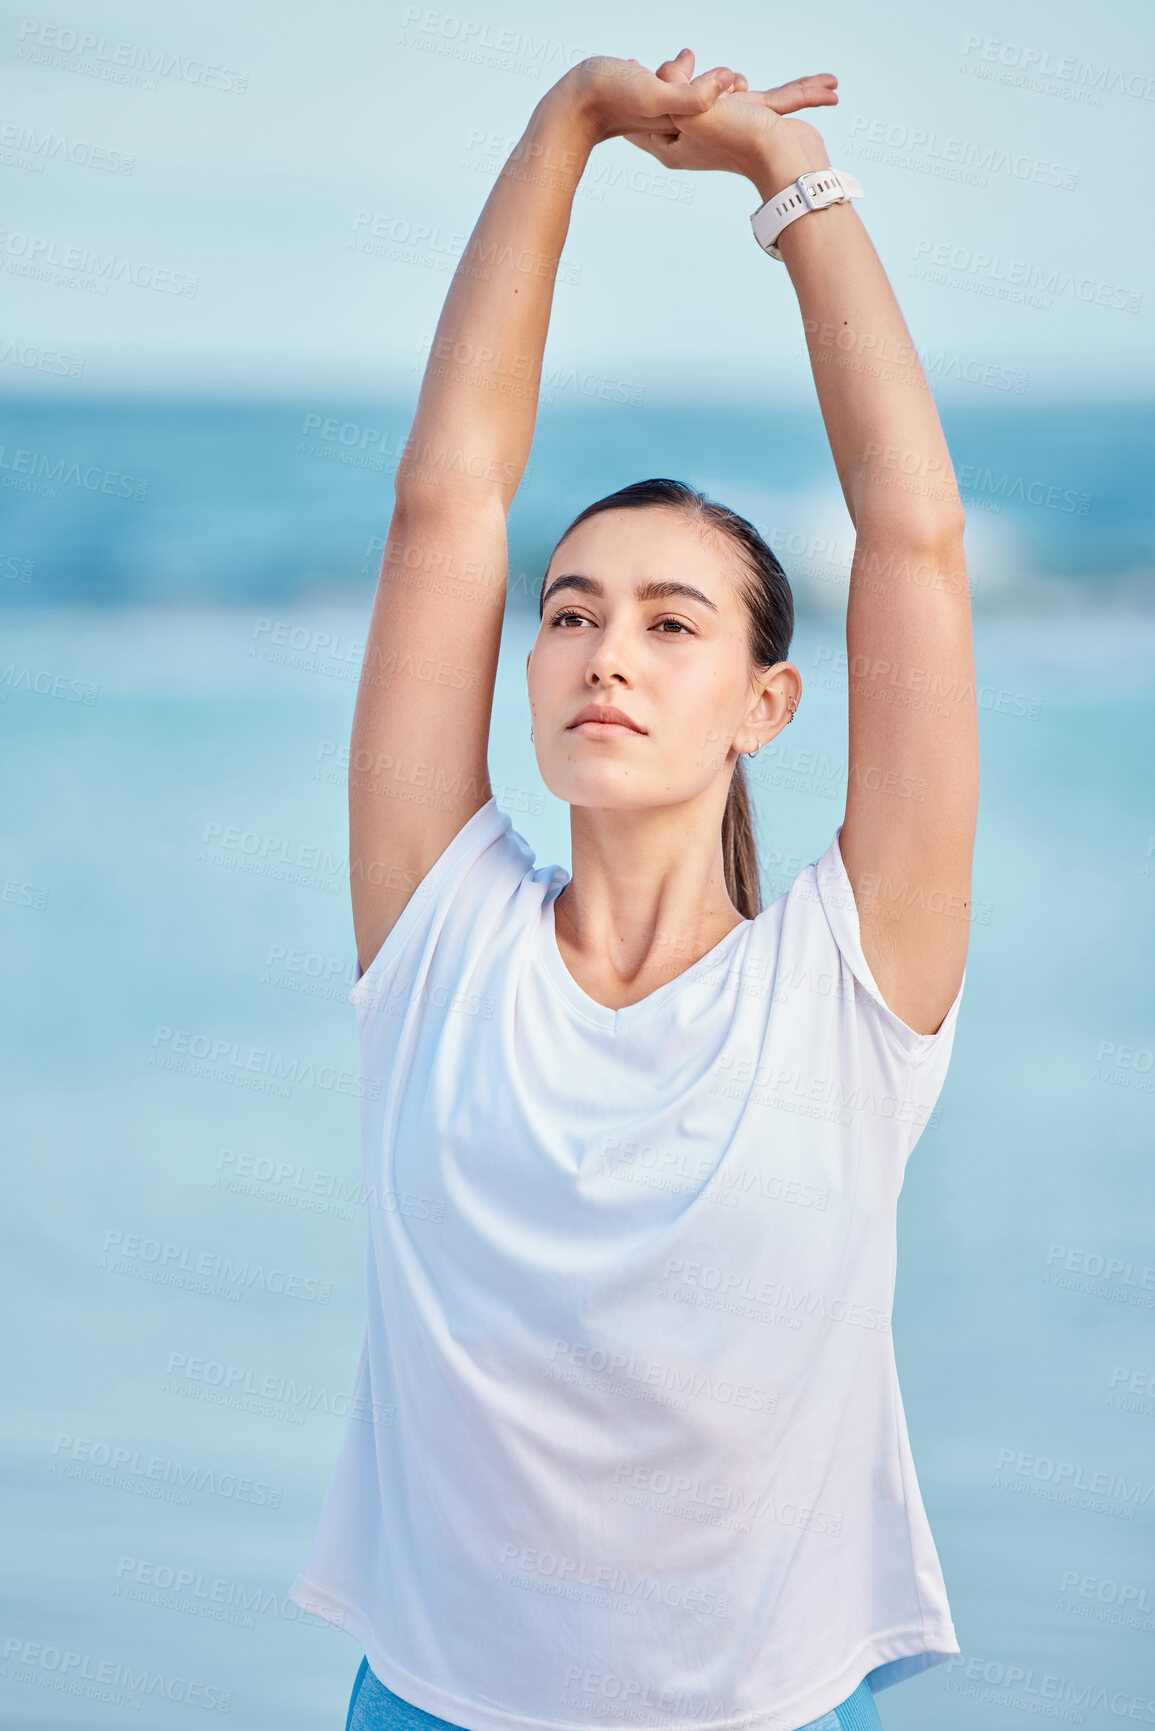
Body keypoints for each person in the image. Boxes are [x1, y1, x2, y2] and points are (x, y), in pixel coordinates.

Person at [289, 48, 979, 1731]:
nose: (607, 649)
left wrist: (787, 183)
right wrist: (564, 129)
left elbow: (913, 541)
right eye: (575, 610)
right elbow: (446, 500)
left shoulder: (851, 984)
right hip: (432, 1705)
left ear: (765, 706)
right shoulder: (438, 940)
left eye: (675, 623)